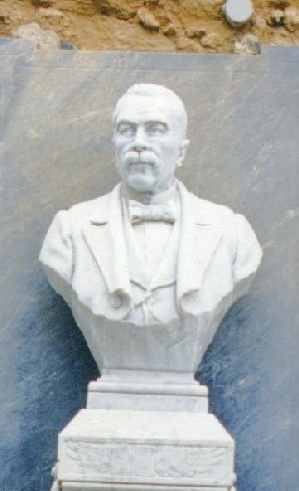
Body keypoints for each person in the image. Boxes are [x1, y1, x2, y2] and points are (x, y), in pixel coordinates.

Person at [39, 83, 261, 380]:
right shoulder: (69, 232)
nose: (139, 142)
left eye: (155, 129)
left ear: (181, 151)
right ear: (114, 144)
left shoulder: (232, 235)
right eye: (127, 129)